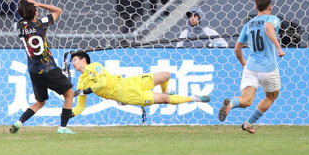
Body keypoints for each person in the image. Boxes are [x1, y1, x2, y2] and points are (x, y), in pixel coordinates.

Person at [218, 0, 285, 133]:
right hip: (268, 68)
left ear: (256, 7)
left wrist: (243, 62)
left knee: (246, 100)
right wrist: (279, 48)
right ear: (270, 7)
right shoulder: (273, 19)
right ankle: (249, 122)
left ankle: (231, 103)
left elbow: (237, 48)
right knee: (271, 96)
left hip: (250, 67)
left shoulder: (248, 24)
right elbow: (268, 28)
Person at [69, 50, 210, 117]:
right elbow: (80, 106)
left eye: (74, 59)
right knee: (165, 100)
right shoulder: (81, 82)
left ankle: (165, 90)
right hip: (126, 95)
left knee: (166, 75)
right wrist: (70, 114)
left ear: (83, 59)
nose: (73, 63)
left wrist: (87, 91)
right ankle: (194, 98)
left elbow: (103, 82)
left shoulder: (94, 66)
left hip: (130, 82)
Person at [9, 0, 76, 134]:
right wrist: (39, 4)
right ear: (35, 11)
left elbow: (26, 16)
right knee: (69, 94)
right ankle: (63, 128)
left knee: (40, 101)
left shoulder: (20, 25)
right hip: (48, 68)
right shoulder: (40, 24)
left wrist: (30, 8)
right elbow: (58, 10)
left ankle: (19, 122)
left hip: (34, 70)